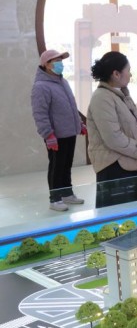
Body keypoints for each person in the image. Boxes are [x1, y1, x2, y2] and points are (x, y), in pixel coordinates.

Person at [86, 51, 137, 208]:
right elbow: (113, 138)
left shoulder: (122, 93)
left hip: (131, 162)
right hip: (114, 168)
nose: (130, 75)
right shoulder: (101, 97)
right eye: (128, 70)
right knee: (120, 217)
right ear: (116, 74)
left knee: (136, 214)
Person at [31, 49, 86, 211]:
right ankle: (54, 199)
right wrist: (48, 135)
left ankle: (67, 193)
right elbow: (40, 114)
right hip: (56, 135)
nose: (60, 64)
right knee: (57, 166)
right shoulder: (41, 86)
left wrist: (79, 124)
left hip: (69, 132)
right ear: (46, 65)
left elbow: (71, 106)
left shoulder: (63, 82)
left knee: (66, 165)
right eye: (56, 61)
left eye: (61, 60)